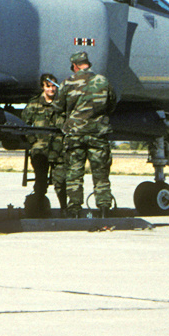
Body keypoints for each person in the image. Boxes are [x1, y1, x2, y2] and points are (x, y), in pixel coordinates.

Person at [59, 51, 116, 216]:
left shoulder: (68, 82)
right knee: (101, 174)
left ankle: (75, 211)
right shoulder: (103, 82)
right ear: (87, 63)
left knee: (74, 174)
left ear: (75, 66)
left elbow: (58, 107)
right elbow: (111, 104)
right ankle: (104, 210)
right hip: (98, 134)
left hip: (75, 135)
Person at [23, 73, 64, 213]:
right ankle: (38, 209)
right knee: (40, 182)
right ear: (42, 87)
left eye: (54, 86)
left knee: (61, 182)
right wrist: (33, 142)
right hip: (40, 150)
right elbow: (24, 125)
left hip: (59, 149)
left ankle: (65, 209)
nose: (51, 89)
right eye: (48, 86)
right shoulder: (34, 104)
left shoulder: (62, 104)